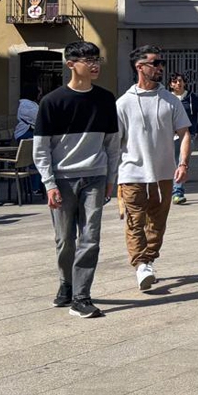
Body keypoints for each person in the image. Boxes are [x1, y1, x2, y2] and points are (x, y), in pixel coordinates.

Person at [33, 41, 120, 319]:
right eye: (87, 59)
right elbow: (41, 148)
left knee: (90, 237)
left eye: (97, 59)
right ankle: (66, 283)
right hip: (62, 179)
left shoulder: (106, 99)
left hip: (95, 176)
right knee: (64, 240)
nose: (94, 65)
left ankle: (81, 297)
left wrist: (111, 179)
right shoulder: (52, 102)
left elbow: (112, 144)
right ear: (71, 64)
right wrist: (49, 183)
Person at [116, 45, 192, 291]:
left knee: (157, 224)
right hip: (131, 173)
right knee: (135, 222)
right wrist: (111, 176)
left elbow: (185, 133)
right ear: (140, 67)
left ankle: (148, 259)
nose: (160, 67)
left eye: (161, 63)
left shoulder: (170, 100)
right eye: (155, 63)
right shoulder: (124, 103)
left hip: (163, 173)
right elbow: (114, 143)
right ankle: (141, 265)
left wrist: (183, 163)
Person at [167, 74, 198, 205]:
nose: (178, 83)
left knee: (181, 162)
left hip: (187, 135)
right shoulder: (167, 98)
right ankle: (170, 189)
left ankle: (178, 191)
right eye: (174, 81)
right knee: (170, 162)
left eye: (180, 81)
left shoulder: (191, 98)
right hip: (169, 135)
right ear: (170, 84)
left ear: (184, 83)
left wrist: (195, 129)